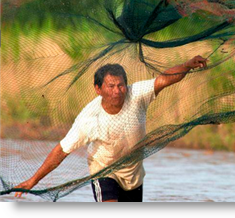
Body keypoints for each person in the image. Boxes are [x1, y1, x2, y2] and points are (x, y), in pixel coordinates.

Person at [14, 55, 208, 202]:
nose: (117, 91)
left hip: (134, 175)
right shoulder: (89, 119)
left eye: (121, 85)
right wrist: (33, 180)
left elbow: (164, 80)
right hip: (104, 171)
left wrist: (186, 66)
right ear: (98, 89)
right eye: (111, 86)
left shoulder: (137, 94)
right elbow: (61, 151)